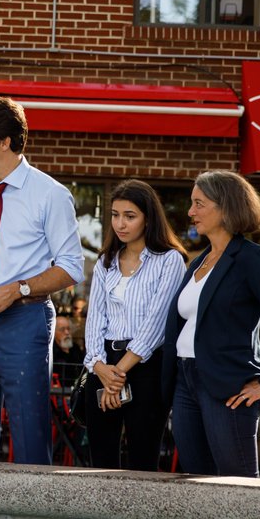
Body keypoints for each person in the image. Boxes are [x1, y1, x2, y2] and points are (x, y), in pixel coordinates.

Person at [0, 97, 84, 464]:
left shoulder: (51, 194)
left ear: (4, 142)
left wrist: (18, 289)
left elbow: (72, 266)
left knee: (29, 427)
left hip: (25, 320)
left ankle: (31, 518)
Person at [162, 170, 260, 478]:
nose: (190, 212)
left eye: (199, 204)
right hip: (186, 381)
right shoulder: (200, 260)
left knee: (238, 488)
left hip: (227, 385)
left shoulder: (250, 258)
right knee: (195, 479)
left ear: (225, 208)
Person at [82, 180, 187, 471]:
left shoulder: (170, 261)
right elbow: (95, 320)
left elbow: (157, 323)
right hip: (103, 366)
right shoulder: (106, 262)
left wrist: (120, 372)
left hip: (146, 367)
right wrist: (100, 367)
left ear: (148, 218)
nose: (120, 223)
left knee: (143, 457)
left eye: (130, 216)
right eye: (115, 215)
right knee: (100, 460)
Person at [52, 315, 85, 383]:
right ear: (53, 332)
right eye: (62, 329)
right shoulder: (51, 351)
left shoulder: (76, 348)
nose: (67, 333)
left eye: (68, 329)